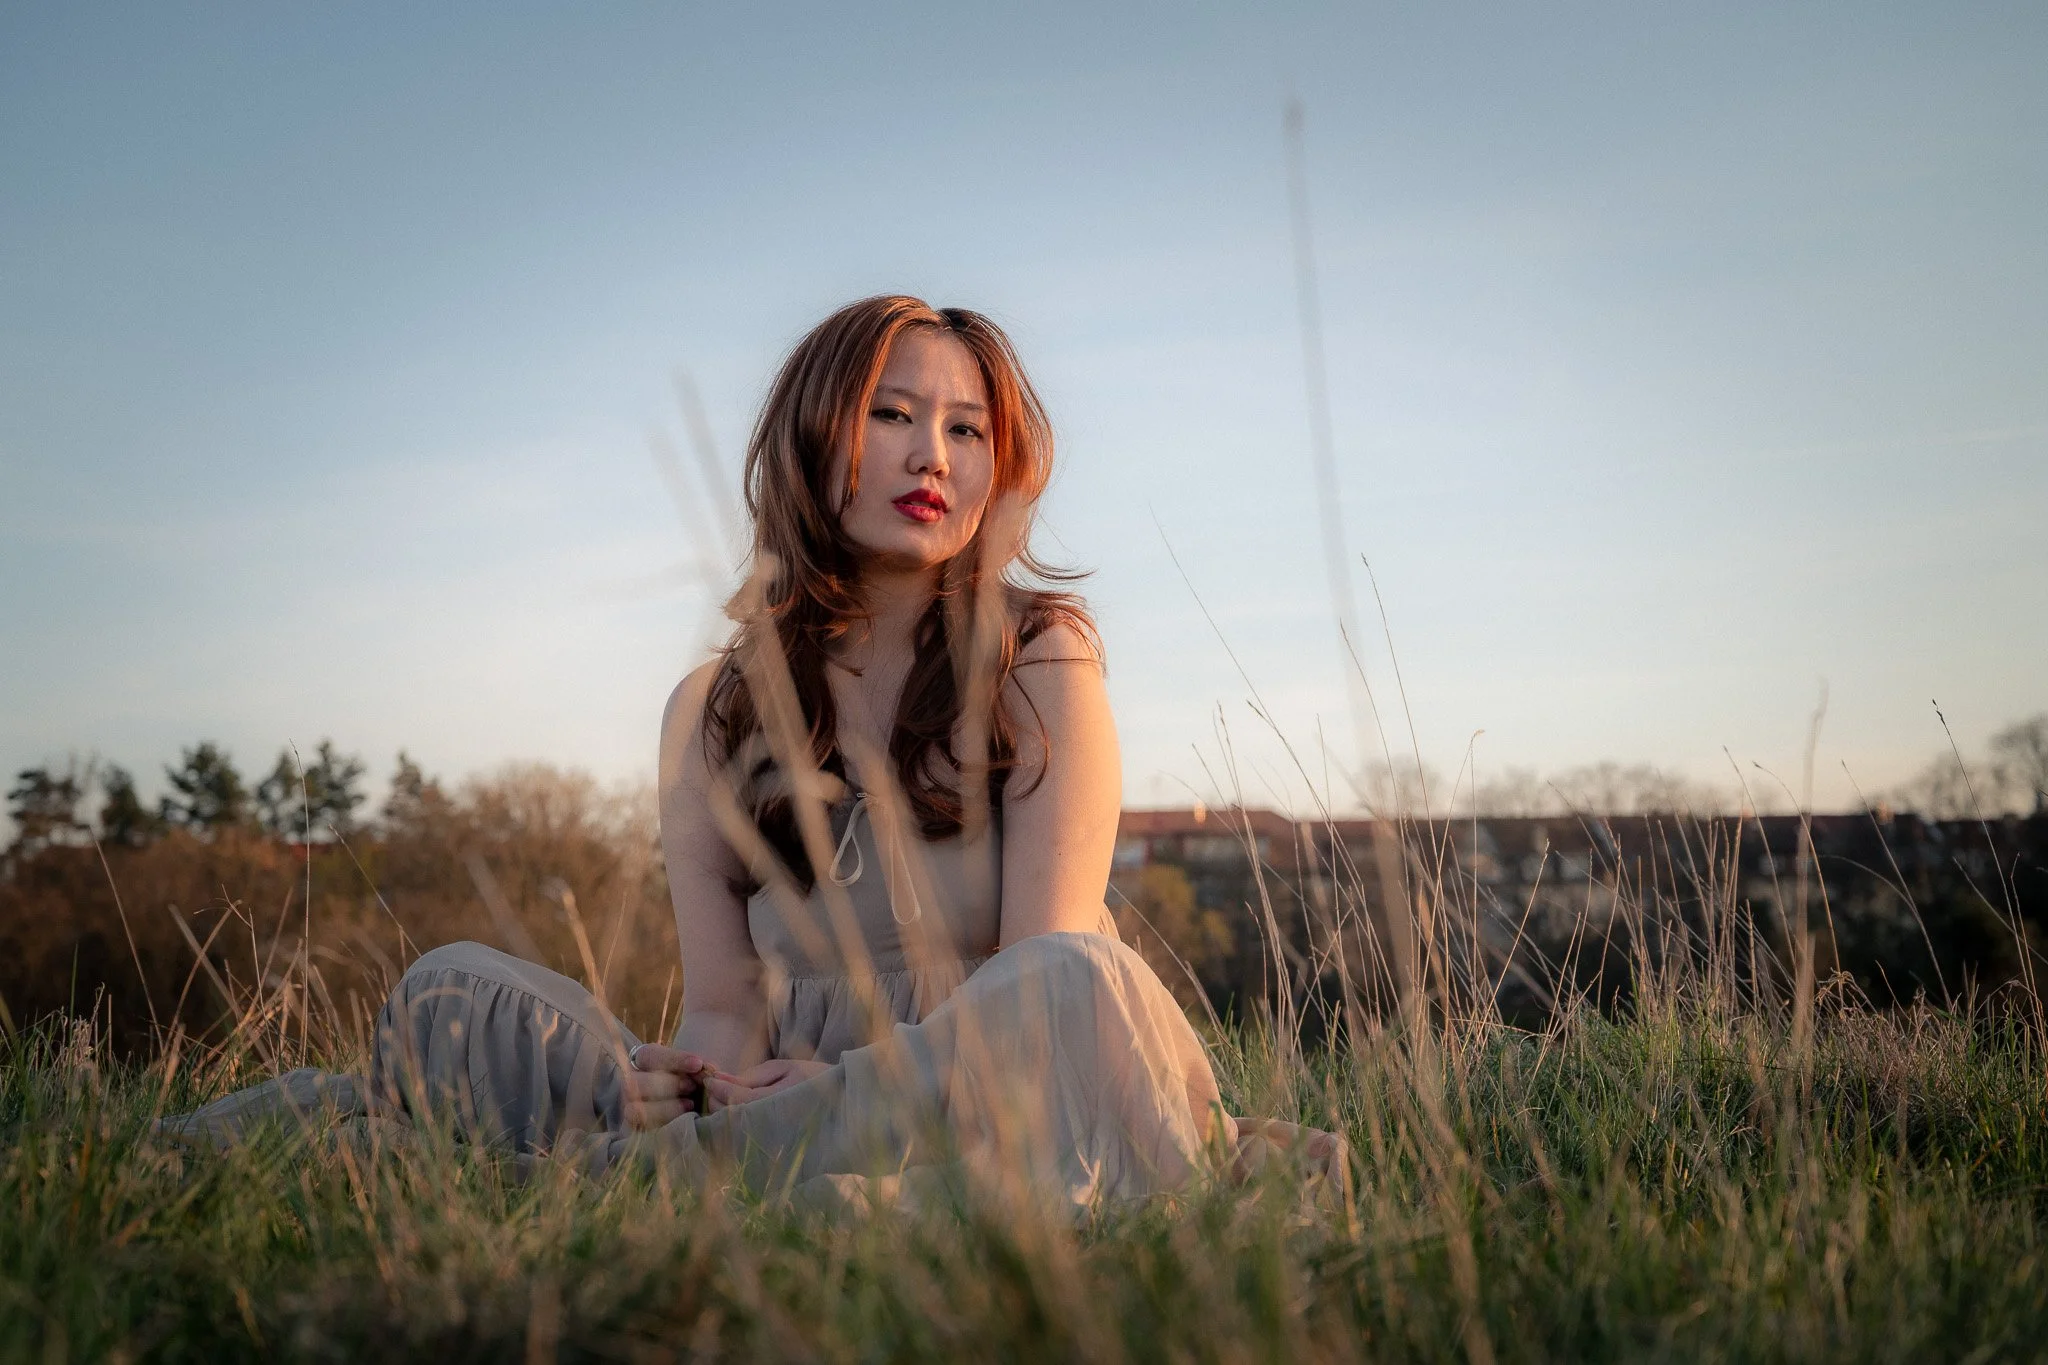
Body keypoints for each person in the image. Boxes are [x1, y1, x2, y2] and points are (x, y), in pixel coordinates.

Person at [162, 296, 1343, 1211]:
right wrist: (678, 1085)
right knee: (454, 992)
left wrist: (839, 1090)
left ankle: (639, 1188)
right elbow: (725, 1008)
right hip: (782, 1102)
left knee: (1075, 985)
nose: (930, 454)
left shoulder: (1038, 657)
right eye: (890, 414)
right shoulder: (713, 711)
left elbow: (1036, 966)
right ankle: (710, 1169)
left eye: (965, 428)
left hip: (1003, 1082)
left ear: (998, 465)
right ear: (810, 436)